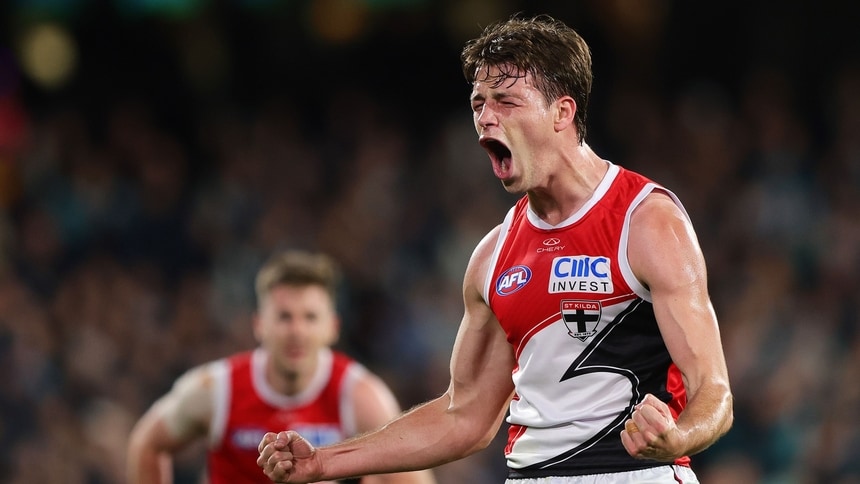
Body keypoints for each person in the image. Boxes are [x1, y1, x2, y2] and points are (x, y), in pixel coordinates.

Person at [257, 14, 733, 484]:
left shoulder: (645, 221)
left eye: (506, 101)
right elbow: (463, 417)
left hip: (634, 474)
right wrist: (323, 462)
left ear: (562, 113)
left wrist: (679, 435)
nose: (486, 117)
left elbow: (714, 393)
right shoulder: (493, 256)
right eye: (479, 103)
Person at [127, 249, 436, 484]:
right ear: (259, 324)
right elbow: (147, 444)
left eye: (310, 317)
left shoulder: (360, 396)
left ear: (332, 327)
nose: (297, 331)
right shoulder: (217, 389)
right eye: (284, 317)